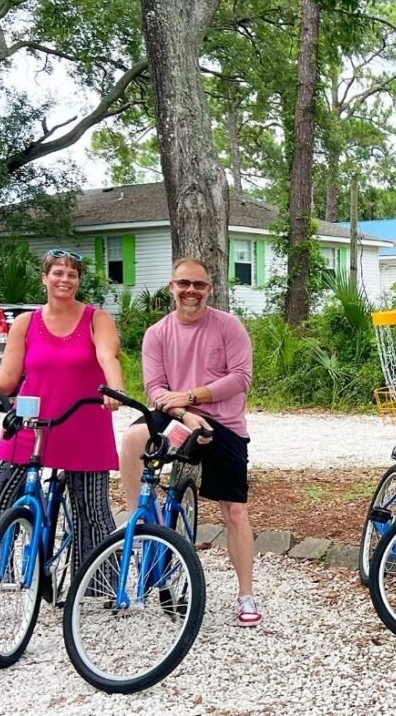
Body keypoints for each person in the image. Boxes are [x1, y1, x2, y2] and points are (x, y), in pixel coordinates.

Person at [0, 250, 124, 622]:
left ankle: (98, 584)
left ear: (78, 280)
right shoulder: (25, 322)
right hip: (32, 422)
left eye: (72, 274)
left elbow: (108, 357)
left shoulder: (96, 319)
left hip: (82, 420)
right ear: (45, 278)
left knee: (92, 506)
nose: (64, 279)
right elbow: (10, 376)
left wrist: (113, 390)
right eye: (57, 272)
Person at [119, 258, 259, 626]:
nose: (190, 291)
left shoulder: (228, 326)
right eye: (184, 283)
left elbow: (241, 378)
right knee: (134, 437)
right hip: (179, 416)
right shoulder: (157, 332)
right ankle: (139, 521)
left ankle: (246, 595)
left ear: (209, 289)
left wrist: (191, 398)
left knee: (235, 512)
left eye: (198, 284)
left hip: (223, 422)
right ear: (172, 287)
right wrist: (185, 413)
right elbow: (153, 388)